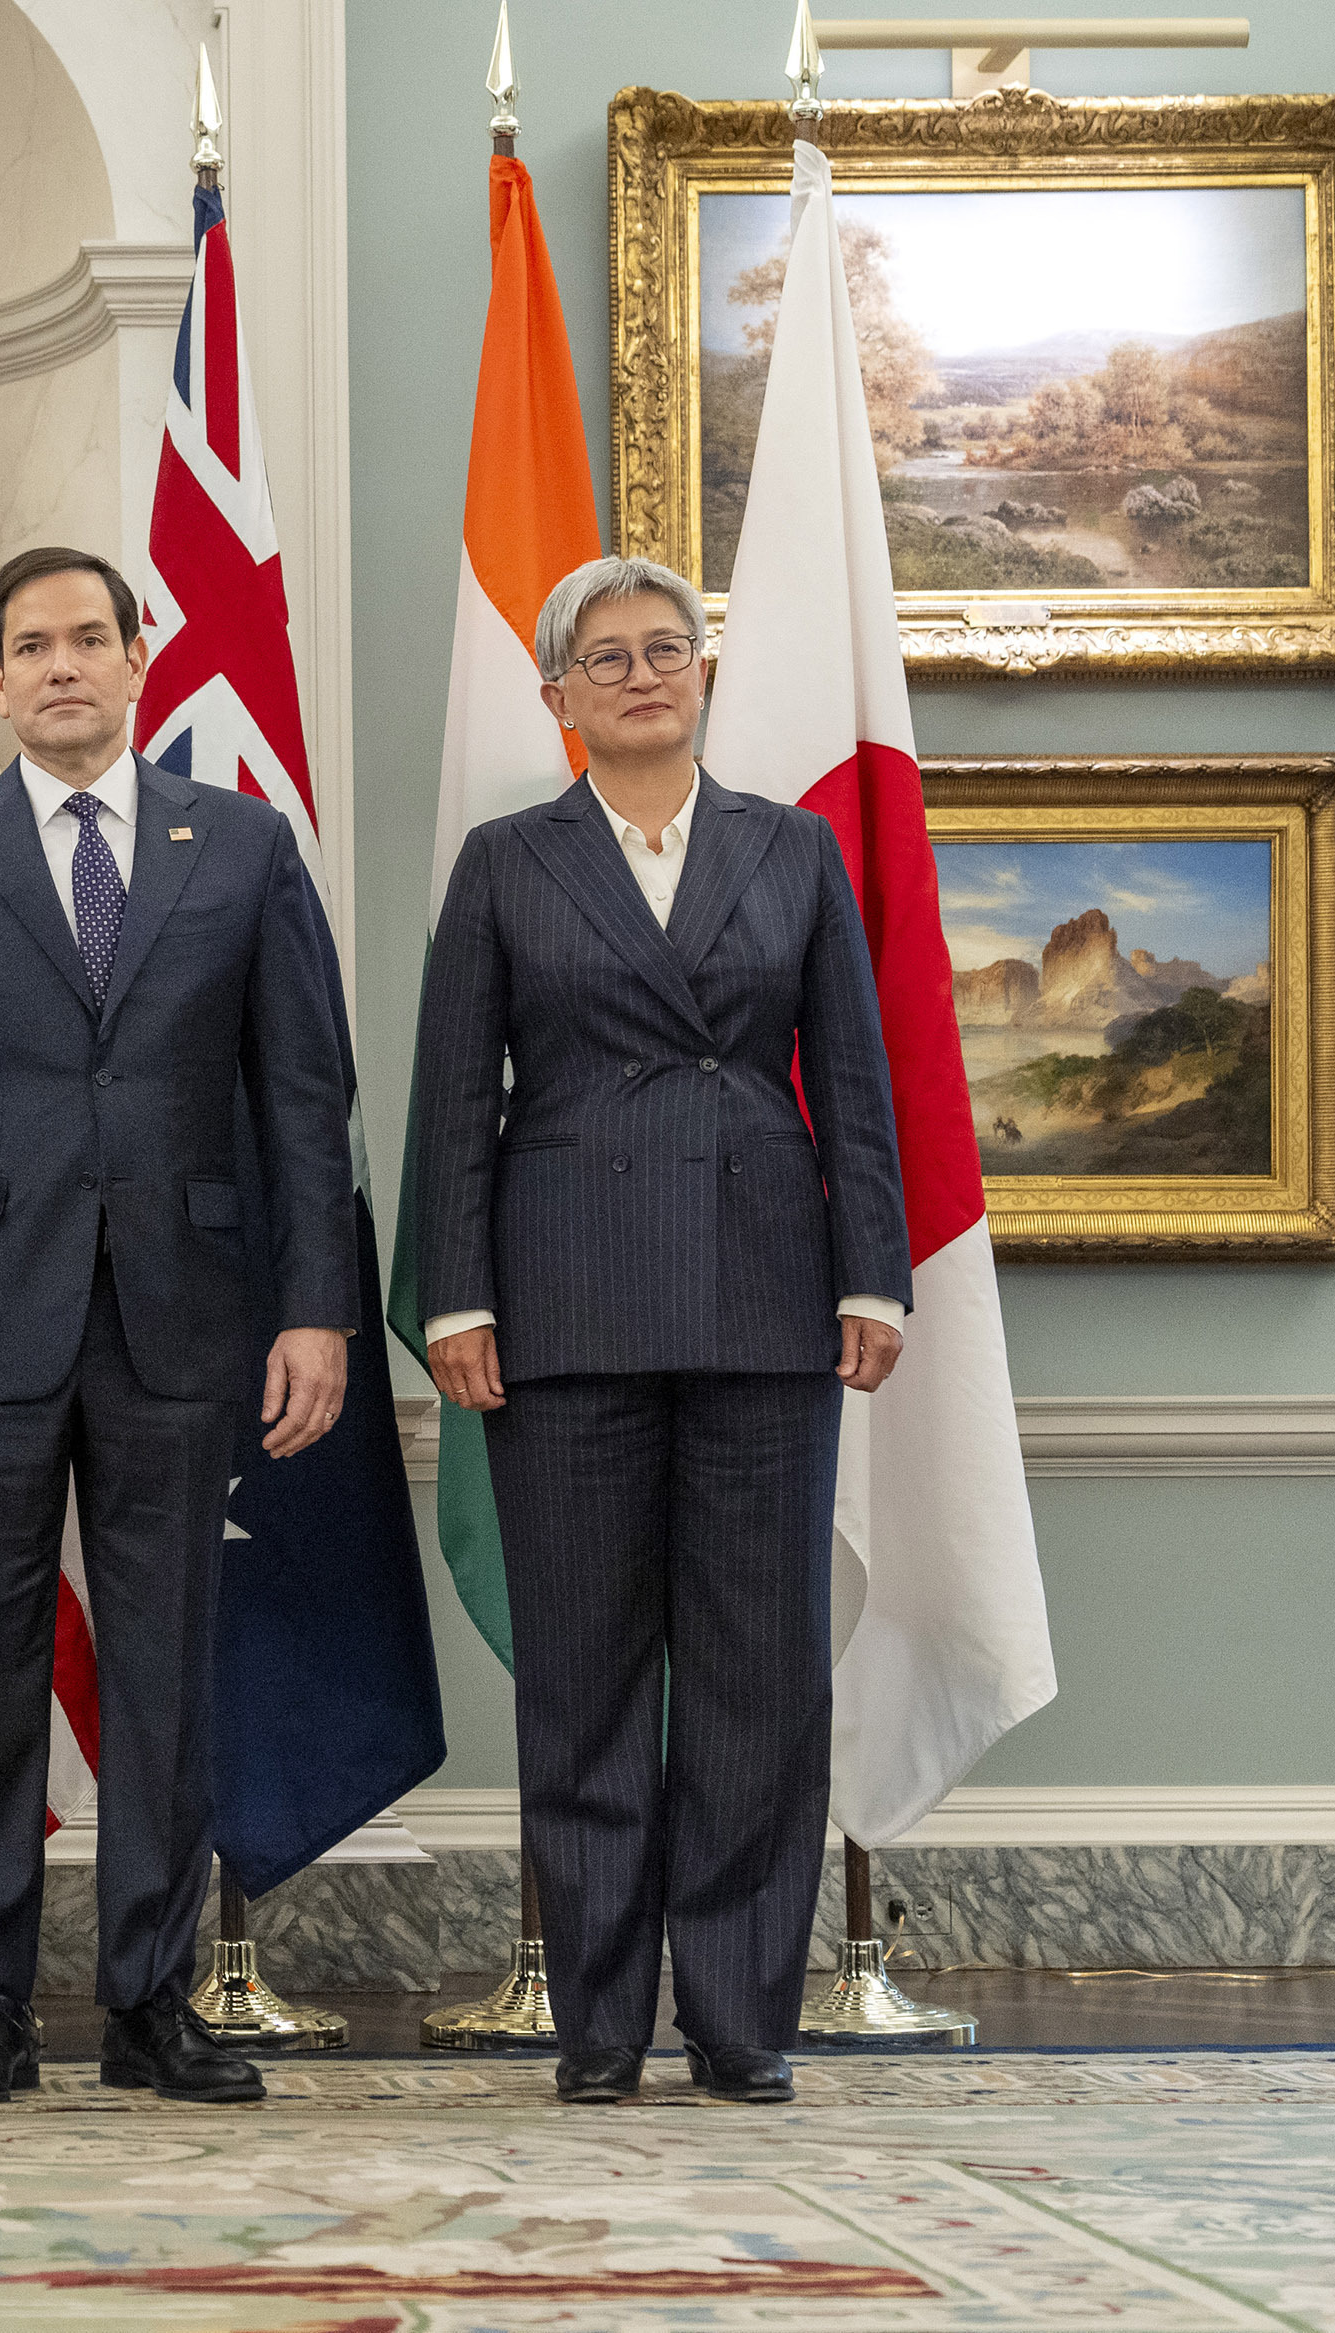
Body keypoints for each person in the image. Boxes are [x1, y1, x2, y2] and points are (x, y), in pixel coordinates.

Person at [0, 546, 358, 2107]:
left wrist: (315, 1310)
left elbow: (303, 1103)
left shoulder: (244, 848)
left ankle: (147, 2004)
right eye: (30, 646)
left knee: (165, 1674)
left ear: (141, 655)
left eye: (88, 638)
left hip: (185, 1325)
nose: (61, 666)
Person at [408, 553, 911, 2109]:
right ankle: (602, 2022)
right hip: (564, 1309)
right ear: (557, 698)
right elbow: (453, 1099)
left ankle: (745, 2014)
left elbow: (855, 1080)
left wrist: (871, 1273)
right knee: (587, 1673)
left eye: (665, 648)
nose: (640, 672)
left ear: (704, 675)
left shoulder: (796, 852)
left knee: (761, 1669)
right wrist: (457, 1293)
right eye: (604, 656)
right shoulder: (504, 863)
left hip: (767, 1294)